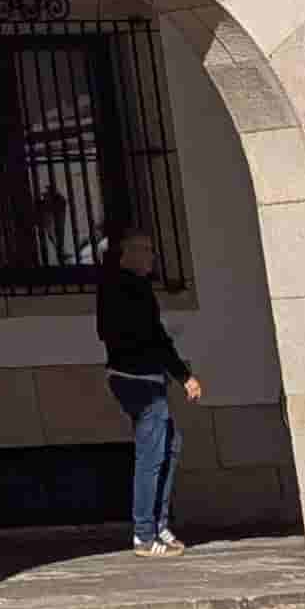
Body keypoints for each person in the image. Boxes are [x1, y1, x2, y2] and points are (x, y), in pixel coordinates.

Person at [95, 227, 202, 556]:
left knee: (170, 444)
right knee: (152, 452)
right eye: (147, 250)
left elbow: (149, 335)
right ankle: (144, 533)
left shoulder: (129, 286)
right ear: (129, 254)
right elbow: (152, 336)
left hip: (141, 377)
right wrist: (184, 376)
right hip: (137, 378)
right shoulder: (122, 286)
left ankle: (158, 525)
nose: (153, 257)